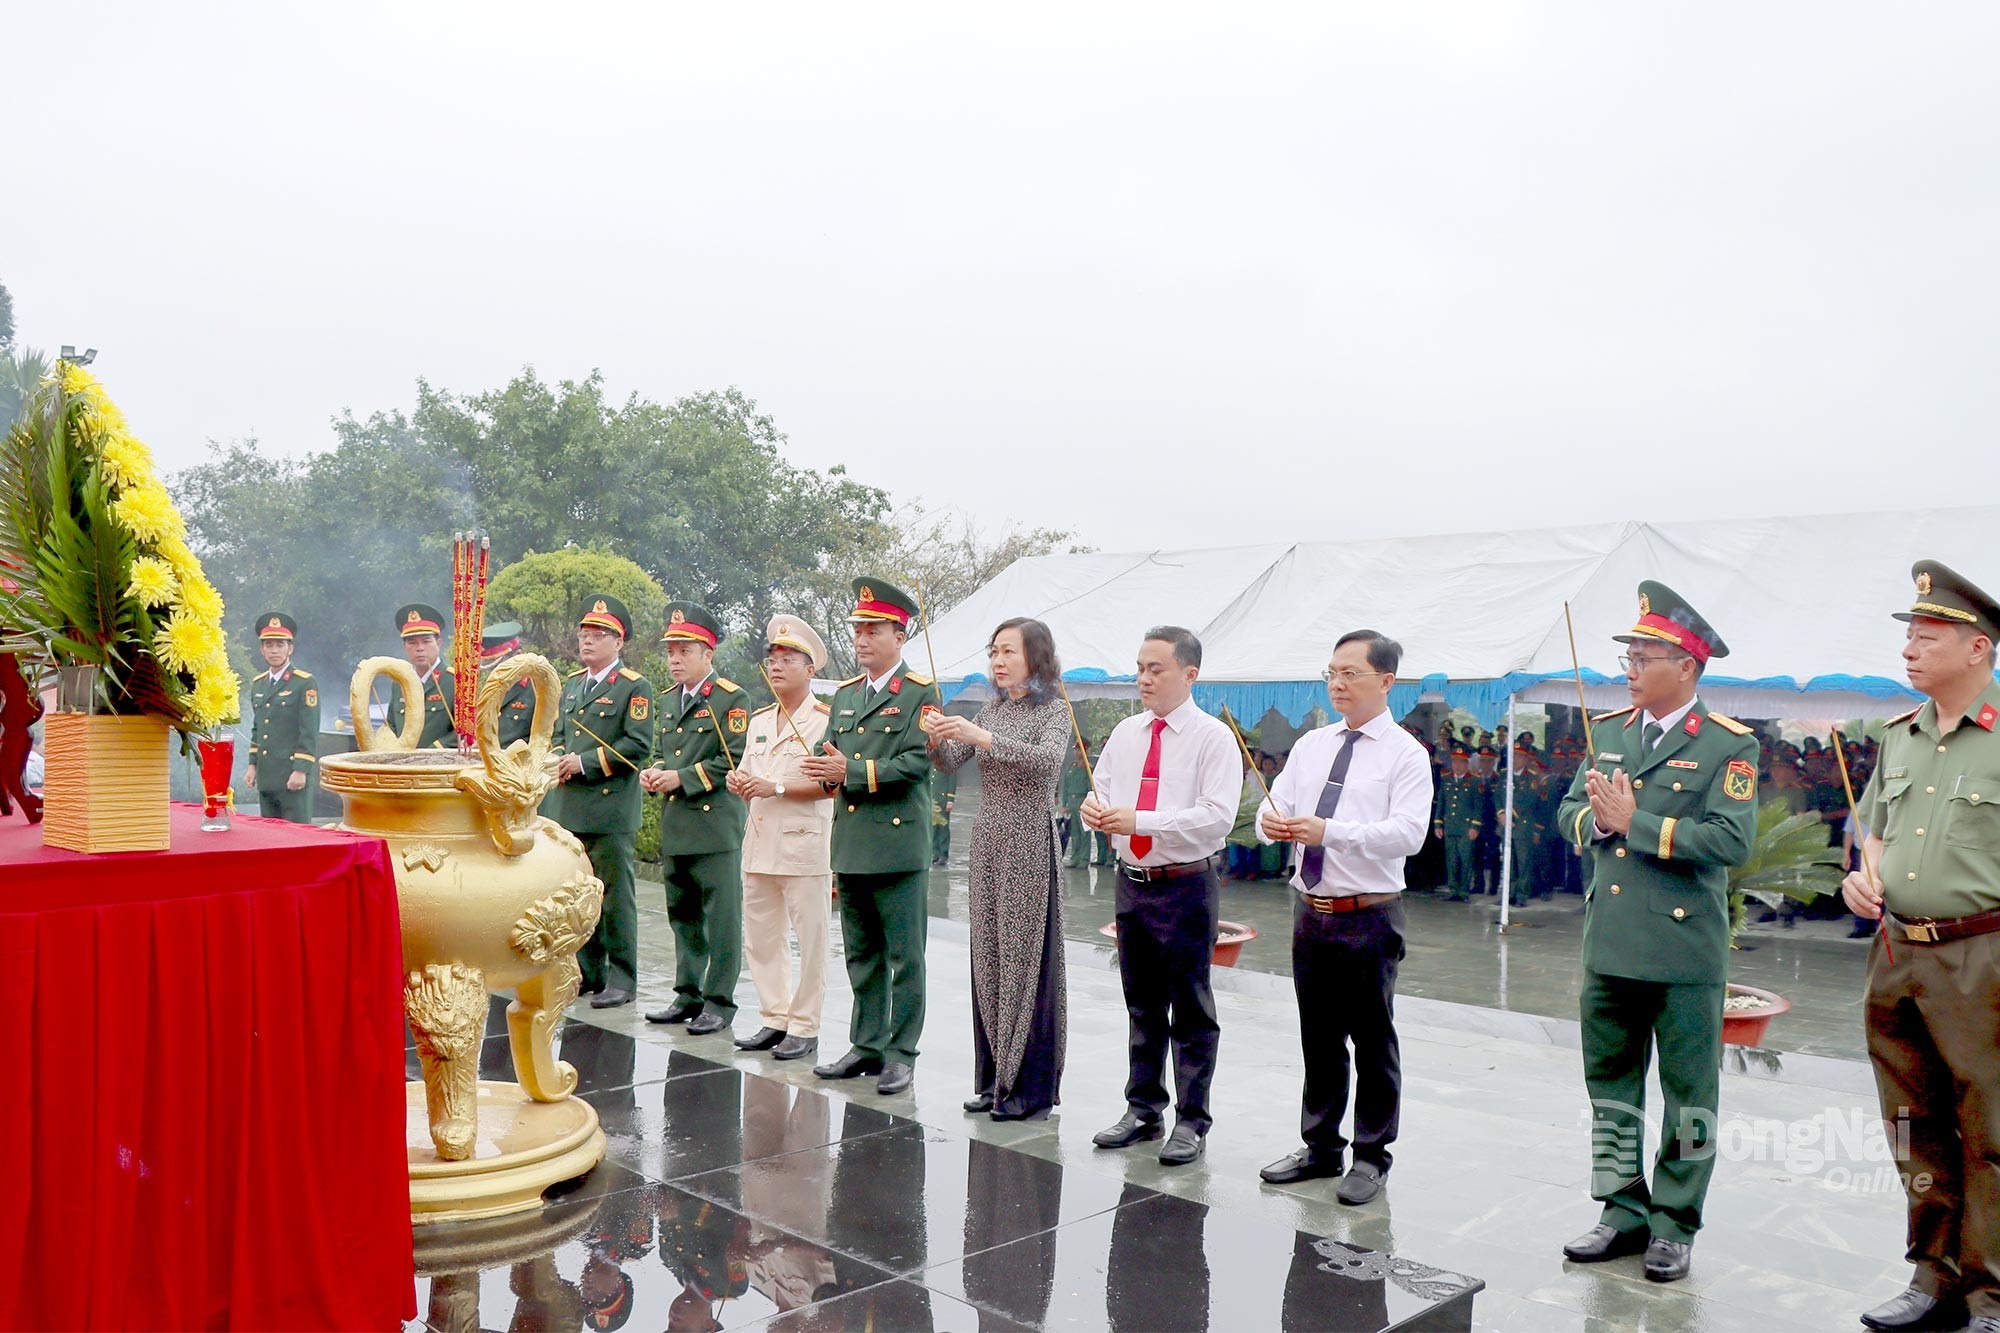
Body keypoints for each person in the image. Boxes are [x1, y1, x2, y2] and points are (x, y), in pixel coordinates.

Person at [1553, 581, 1758, 1284]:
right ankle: (1621, 1207)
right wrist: (1599, 820)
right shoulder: (1609, 732)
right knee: (1609, 1082)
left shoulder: (1729, 745)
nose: (1630, 666)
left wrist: (1634, 824)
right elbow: (1571, 813)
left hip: (1680, 951)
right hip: (1609, 941)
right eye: (1629, 653)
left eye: (1645, 655)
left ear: (1689, 667)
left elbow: (1730, 839)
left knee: (1687, 1093)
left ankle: (1674, 1220)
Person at [1842, 561, 2000, 1333]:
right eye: (1908, 633)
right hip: (1897, 951)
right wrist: (1859, 879)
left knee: (1990, 1129)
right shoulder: (1898, 736)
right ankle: (1931, 1272)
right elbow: (1871, 834)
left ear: (1978, 648)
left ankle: (1990, 1292)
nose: (1910, 647)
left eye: (1927, 635)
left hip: (1983, 957)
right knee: (1912, 1120)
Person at [1255, 630, 1432, 1205]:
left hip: (1369, 915)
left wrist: (1331, 832)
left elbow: (1408, 834)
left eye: (1351, 673)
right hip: (1313, 910)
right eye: (1332, 672)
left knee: (1372, 1038)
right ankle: (1321, 1146)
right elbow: (1271, 805)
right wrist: (1273, 824)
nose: (1338, 683)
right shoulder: (1312, 746)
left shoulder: (1405, 753)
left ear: (1386, 681)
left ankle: (1372, 1155)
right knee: (1319, 1036)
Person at [1082, 626, 1238, 1166]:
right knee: (1142, 1002)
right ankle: (1143, 1107)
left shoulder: (1213, 739)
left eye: (1157, 669)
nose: (1144, 678)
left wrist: (1142, 818)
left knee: (1191, 1005)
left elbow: (1217, 817)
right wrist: (1093, 809)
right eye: (1141, 668)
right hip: (1134, 882)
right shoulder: (1126, 732)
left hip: (1186, 884)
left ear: (1188, 674)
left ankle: (1192, 1121)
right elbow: (1099, 789)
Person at [929, 617, 1073, 1122]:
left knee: (1024, 959)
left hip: (1029, 843)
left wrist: (982, 738)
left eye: (1009, 651)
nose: (999, 661)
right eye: (994, 652)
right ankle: (994, 1078)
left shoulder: (1054, 710)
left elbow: (1047, 761)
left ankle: (1027, 1087)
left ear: (1036, 656)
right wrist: (937, 735)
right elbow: (950, 762)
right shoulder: (991, 709)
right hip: (988, 841)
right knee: (988, 955)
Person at [797, 578, 936, 1097]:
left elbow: (918, 762)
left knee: (906, 956)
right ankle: (866, 1044)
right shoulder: (849, 694)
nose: (862, 639)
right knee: (861, 954)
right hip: (853, 841)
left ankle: (901, 1054)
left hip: (897, 845)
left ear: (899, 635)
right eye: (857, 629)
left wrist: (850, 769)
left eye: (873, 629)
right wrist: (824, 764)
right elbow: (829, 749)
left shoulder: (922, 692)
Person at [726, 614, 835, 1063]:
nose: (777, 666)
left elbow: (831, 782)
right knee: (762, 938)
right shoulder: (759, 720)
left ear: (810, 670)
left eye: (789, 659)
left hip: (804, 843)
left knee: (810, 940)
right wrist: (742, 782)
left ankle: (805, 1026)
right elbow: (755, 773)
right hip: (760, 842)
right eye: (773, 659)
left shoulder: (824, 720)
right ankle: (774, 1017)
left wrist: (778, 788)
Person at [641, 602, 749, 1037]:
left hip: (714, 825)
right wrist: (652, 771)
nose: (674, 659)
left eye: (684, 650)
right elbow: (658, 750)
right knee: (682, 913)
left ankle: (719, 1001)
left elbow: (734, 759)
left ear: (708, 653)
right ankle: (687, 993)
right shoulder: (667, 702)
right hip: (678, 825)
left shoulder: (731, 698)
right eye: (671, 651)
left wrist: (680, 777)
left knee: (720, 919)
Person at [548, 595, 655, 1009]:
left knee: (614, 897)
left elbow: (638, 745)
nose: (588, 642)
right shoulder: (573, 684)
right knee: (577, 895)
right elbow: (559, 733)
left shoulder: (633, 686)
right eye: (584, 634)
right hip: (570, 808)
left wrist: (585, 762)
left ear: (618, 641)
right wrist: (558, 756)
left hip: (608, 809)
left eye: (598, 635)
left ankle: (623, 978)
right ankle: (589, 973)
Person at [244, 611, 318, 822]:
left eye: (280, 644)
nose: (274, 650)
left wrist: (301, 770)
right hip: (267, 777)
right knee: (270, 838)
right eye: (269, 645)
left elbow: (309, 731)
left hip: (291, 775)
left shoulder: (304, 683)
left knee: (297, 838)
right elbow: (258, 728)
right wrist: (252, 765)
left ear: (290, 648)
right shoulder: (258, 684)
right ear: (262, 649)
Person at [386, 602, 458, 748]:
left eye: (426, 641)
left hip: (439, 766)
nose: (420, 648)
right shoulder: (399, 683)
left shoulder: (455, 682)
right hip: (401, 766)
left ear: (438, 643)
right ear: (404, 647)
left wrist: (433, 751)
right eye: (412, 643)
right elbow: (391, 725)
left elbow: (466, 731)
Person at [1435, 743, 1482, 901]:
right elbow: (1441, 803)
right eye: (1454, 761)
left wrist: (1475, 826)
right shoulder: (1446, 779)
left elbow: (1478, 806)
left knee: (1466, 860)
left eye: (1460, 762)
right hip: (1450, 826)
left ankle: (1464, 891)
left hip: (1465, 827)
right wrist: (1438, 824)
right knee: (1452, 859)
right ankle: (1453, 889)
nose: (1456, 765)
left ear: (1466, 763)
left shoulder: (1474, 781)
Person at [480, 620, 536, 748]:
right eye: (490, 667)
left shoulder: (537, 691)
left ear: (518, 656)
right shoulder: (489, 689)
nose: (494, 673)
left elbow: (544, 739)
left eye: (499, 665)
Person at [1062, 739, 1110, 868]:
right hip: (1072, 802)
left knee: (1084, 833)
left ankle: (1084, 859)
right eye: (1076, 749)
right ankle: (1074, 858)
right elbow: (1066, 786)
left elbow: (1092, 787)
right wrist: (1064, 803)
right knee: (1075, 833)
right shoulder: (1072, 767)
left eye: (1079, 749)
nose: (1077, 752)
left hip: (1082, 800)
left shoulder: (1088, 768)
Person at [930, 766, 957, 867]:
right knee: (933, 829)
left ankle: (943, 855)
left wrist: (950, 800)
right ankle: (935, 855)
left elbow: (952, 780)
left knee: (943, 829)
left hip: (943, 800)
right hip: (932, 800)